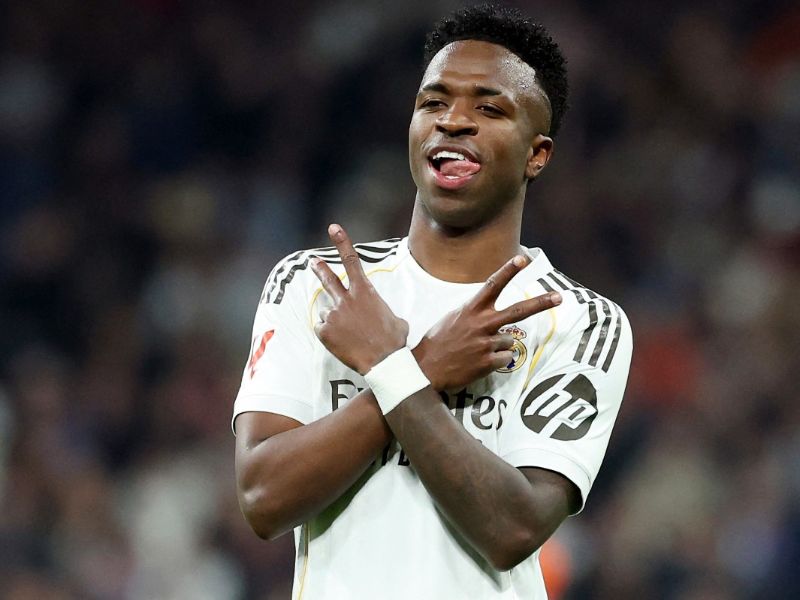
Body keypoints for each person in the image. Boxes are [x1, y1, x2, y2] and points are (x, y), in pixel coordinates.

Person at [233, 4, 632, 599]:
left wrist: (394, 370)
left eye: (489, 108)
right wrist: (419, 371)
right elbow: (263, 498)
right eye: (433, 102)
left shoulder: (576, 321)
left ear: (537, 154)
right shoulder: (316, 284)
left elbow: (513, 526)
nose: (453, 121)